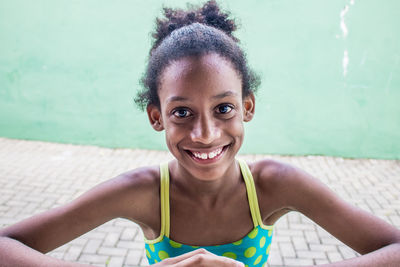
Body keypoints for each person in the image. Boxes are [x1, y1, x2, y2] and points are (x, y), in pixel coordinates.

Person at [1, 1, 399, 266]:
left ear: (248, 107)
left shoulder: (274, 186)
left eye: (223, 108)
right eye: (182, 113)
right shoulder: (141, 192)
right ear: (157, 117)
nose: (205, 133)